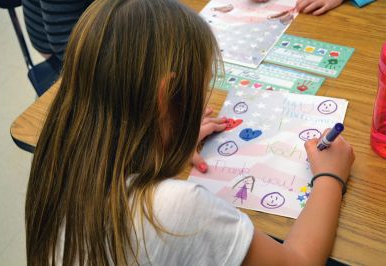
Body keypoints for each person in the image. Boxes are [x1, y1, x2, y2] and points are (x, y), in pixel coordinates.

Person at [25, 0, 355, 265]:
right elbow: (298, 261)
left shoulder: (59, 158)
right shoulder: (173, 209)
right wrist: (331, 177)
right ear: (166, 96)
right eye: (203, 88)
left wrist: (169, 136)